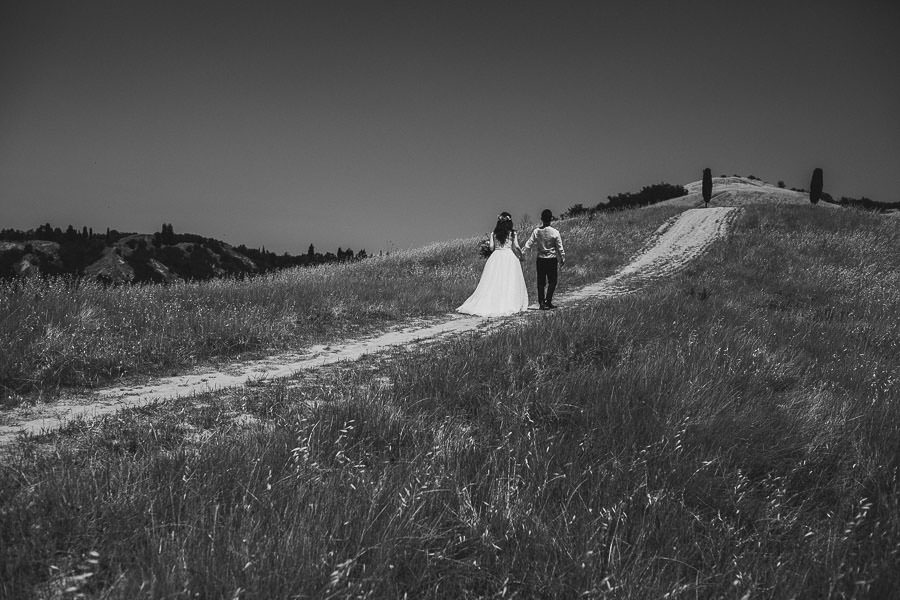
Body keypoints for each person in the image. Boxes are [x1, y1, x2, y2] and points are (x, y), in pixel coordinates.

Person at [457, 212, 529, 317]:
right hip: (509, 257)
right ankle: (508, 301)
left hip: (496, 256)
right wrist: (521, 255)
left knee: (494, 280)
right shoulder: (512, 233)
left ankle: (490, 302)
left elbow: (491, 247)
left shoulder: (494, 233)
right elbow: (516, 246)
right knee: (509, 280)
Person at [523, 208, 565, 309]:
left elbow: (529, 243)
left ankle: (542, 302)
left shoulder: (537, 231)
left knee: (541, 282)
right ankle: (548, 300)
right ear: (551, 218)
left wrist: (522, 252)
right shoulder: (555, 232)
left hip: (541, 259)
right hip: (551, 259)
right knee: (552, 281)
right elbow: (560, 247)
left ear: (541, 218)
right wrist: (562, 257)